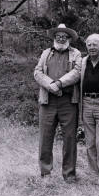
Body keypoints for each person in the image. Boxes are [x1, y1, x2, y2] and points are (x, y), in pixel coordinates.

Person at [58, 34, 99, 177]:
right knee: (90, 142)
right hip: (86, 103)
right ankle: (94, 173)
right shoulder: (82, 62)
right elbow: (73, 76)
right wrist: (58, 83)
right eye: (89, 44)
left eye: (95, 44)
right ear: (86, 47)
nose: (92, 47)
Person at [34, 24, 81, 183]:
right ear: (54, 38)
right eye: (58, 36)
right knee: (45, 137)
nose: (61, 39)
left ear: (68, 38)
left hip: (68, 102)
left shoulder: (76, 53)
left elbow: (77, 73)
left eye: (64, 36)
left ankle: (69, 175)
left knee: (69, 138)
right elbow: (37, 72)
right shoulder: (46, 53)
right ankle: (45, 173)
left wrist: (59, 83)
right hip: (47, 101)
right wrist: (50, 85)